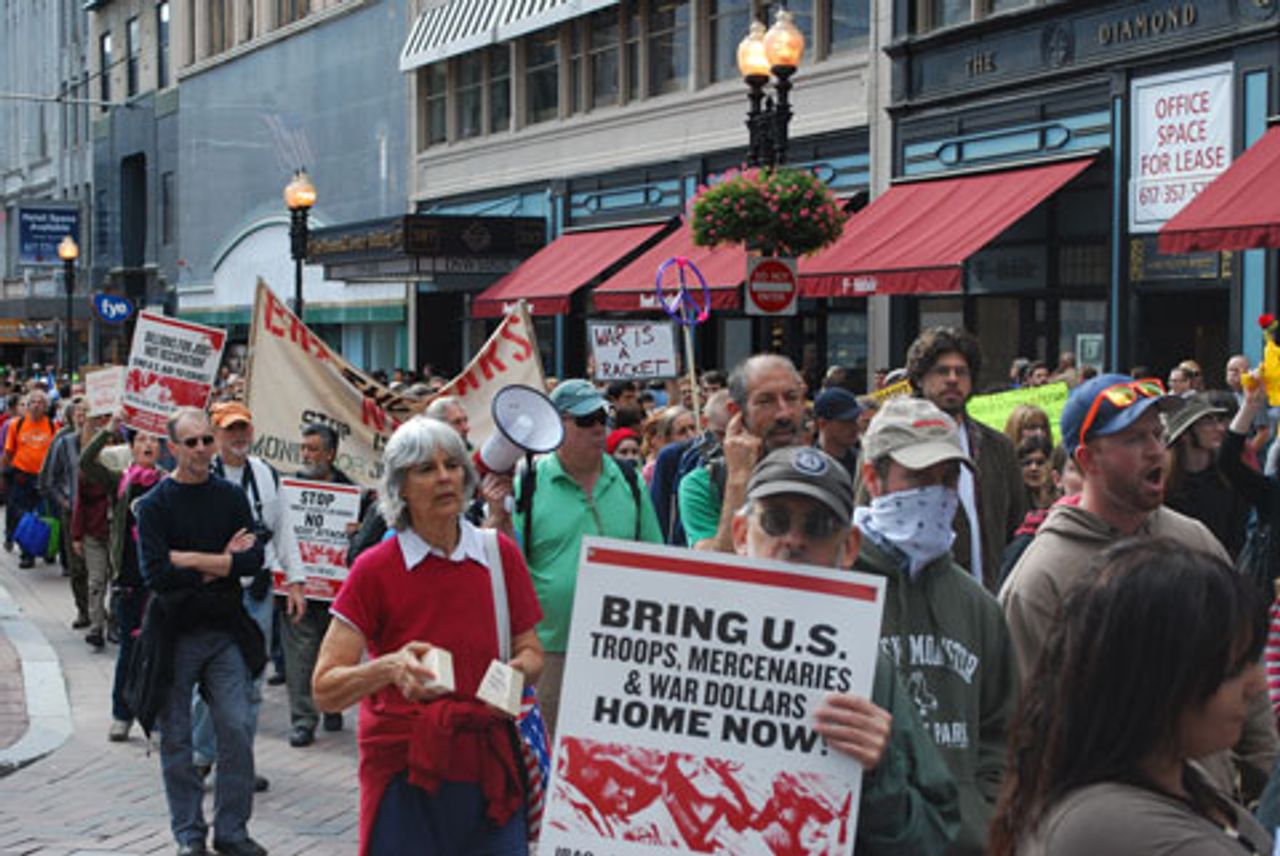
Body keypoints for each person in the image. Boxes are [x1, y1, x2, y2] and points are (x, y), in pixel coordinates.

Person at [1000, 374, 1278, 802]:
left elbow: (1246, 674)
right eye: (1133, 439)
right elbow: (1030, 732)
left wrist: (1266, 789)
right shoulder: (1042, 579)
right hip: (1107, 819)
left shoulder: (1195, 542)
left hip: (1211, 812)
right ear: (1087, 460)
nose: (1155, 450)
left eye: (1156, 434)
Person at [312, 417, 543, 855]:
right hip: (406, 775)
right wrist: (389, 667)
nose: (443, 477)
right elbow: (325, 689)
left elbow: (532, 650)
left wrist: (513, 676)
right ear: (399, 487)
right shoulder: (374, 569)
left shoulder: (498, 554)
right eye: (425, 469)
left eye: (452, 465)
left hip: (489, 765)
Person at [731, 445, 960, 854]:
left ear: (850, 547)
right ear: (741, 535)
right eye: (776, 520)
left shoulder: (870, 670)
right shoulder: (674, 647)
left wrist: (879, 773)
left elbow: (934, 839)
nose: (794, 541)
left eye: (818, 526)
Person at [990, 538, 1271, 856]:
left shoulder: (1182, 780)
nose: (1257, 685)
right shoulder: (1112, 824)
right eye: (1233, 671)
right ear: (1159, 683)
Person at [852, 396, 1019, 856]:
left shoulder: (978, 605)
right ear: (873, 478)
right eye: (919, 477)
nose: (938, 494)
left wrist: (981, 817)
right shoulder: (839, 590)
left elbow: (1003, 732)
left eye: (947, 479)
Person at [135, 407, 267, 856]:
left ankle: (232, 830)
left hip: (225, 630)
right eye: (190, 442)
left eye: (206, 440)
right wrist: (221, 561)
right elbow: (156, 575)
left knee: (237, 727)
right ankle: (189, 834)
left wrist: (188, 559)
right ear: (172, 448)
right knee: (177, 739)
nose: (201, 449)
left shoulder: (230, 497)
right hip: (174, 635)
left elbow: (252, 561)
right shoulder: (154, 505)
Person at [497, 378, 662, 738]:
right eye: (586, 421)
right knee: (548, 751)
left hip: (620, 650)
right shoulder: (529, 484)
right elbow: (508, 565)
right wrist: (497, 516)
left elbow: (655, 559)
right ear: (556, 424)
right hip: (551, 652)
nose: (599, 428)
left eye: (603, 418)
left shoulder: (631, 481)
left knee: (615, 751)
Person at [191, 402, 285, 792]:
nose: (238, 436)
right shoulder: (198, 475)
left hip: (257, 591)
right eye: (230, 429)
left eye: (243, 428)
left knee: (252, 680)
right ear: (214, 435)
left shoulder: (266, 474)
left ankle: (238, 760)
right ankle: (201, 756)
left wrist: (295, 581)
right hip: (213, 592)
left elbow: (283, 532)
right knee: (208, 678)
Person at [889, 327, 1025, 591]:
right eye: (942, 371)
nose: (952, 379)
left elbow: (1016, 528)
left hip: (987, 598)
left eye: (961, 372)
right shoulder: (894, 445)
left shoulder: (998, 448)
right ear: (920, 378)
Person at [79, 411, 166, 741]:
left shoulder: (169, 483)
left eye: (153, 439)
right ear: (132, 447)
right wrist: (108, 430)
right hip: (129, 577)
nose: (148, 444)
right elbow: (86, 463)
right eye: (141, 439)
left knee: (158, 651)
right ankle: (122, 714)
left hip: (160, 580)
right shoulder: (121, 481)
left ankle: (154, 716)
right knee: (130, 650)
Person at [281, 423, 359, 747]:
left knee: (335, 653)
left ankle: (333, 704)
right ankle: (303, 720)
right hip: (299, 587)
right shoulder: (288, 488)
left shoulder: (352, 493)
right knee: (299, 656)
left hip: (337, 592)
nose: (306, 455)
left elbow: (365, 544)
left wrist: (358, 531)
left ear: (330, 454)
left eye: (313, 449)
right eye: (304, 448)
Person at [679, 354, 805, 552]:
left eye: (791, 398)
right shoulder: (703, 484)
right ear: (736, 411)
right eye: (766, 401)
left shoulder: (827, 472)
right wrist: (738, 479)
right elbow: (717, 565)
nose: (784, 413)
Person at [1162, 393, 1249, 559]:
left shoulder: (1228, 478)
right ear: (1185, 434)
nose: (1220, 428)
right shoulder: (1164, 485)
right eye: (1208, 422)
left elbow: (1238, 537)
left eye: (1218, 420)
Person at [40, 397, 90, 627]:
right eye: (78, 412)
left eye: (86, 412)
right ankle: (83, 610)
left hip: (99, 513)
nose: (82, 416)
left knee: (101, 568)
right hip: (73, 511)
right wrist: (65, 501)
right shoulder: (64, 442)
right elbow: (52, 479)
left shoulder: (107, 441)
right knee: (77, 566)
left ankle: (102, 614)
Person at [4, 389, 56, 568]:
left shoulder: (52, 426)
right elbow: (9, 452)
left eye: (40, 402)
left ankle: (47, 549)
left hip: (45, 477)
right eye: (33, 402)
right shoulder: (16, 425)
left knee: (47, 515)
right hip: (22, 476)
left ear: (45, 406)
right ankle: (27, 554)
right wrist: (6, 474)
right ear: (27, 405)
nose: (36, 405)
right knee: (24, 517)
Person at [813, 387, 862, 479]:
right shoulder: (811, 466)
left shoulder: (862, 462)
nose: (855, 427)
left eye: (855, 419)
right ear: (822, 423)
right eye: (846, 421)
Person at [1016, 435, 1058, 511]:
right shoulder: (1013, 503)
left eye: (1040, 463)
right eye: (1027, 463)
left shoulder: (1062, 500)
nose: (1034, 468)